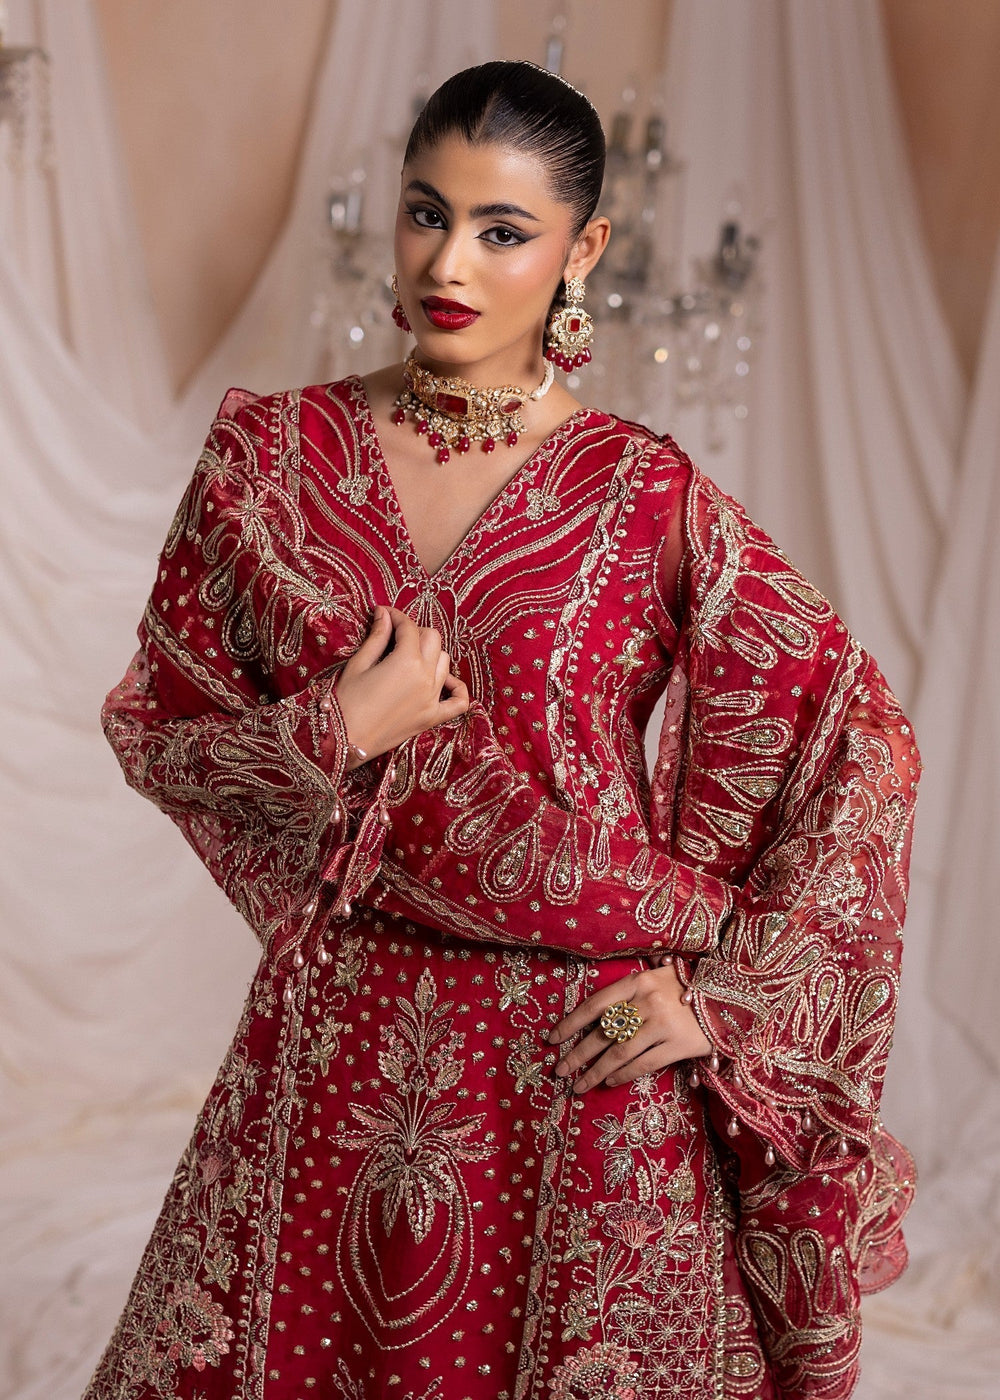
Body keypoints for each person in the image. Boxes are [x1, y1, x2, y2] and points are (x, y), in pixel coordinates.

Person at [86, 60, 920, 1400]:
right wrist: (330, 727)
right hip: (336, 1044)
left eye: (503, 230)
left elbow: (854, 744)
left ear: (583, 250)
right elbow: (160, 732)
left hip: (581, 1059)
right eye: (427, 212)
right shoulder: (268, 462)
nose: (448, 262)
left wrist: (723, 995)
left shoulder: (647, 495)